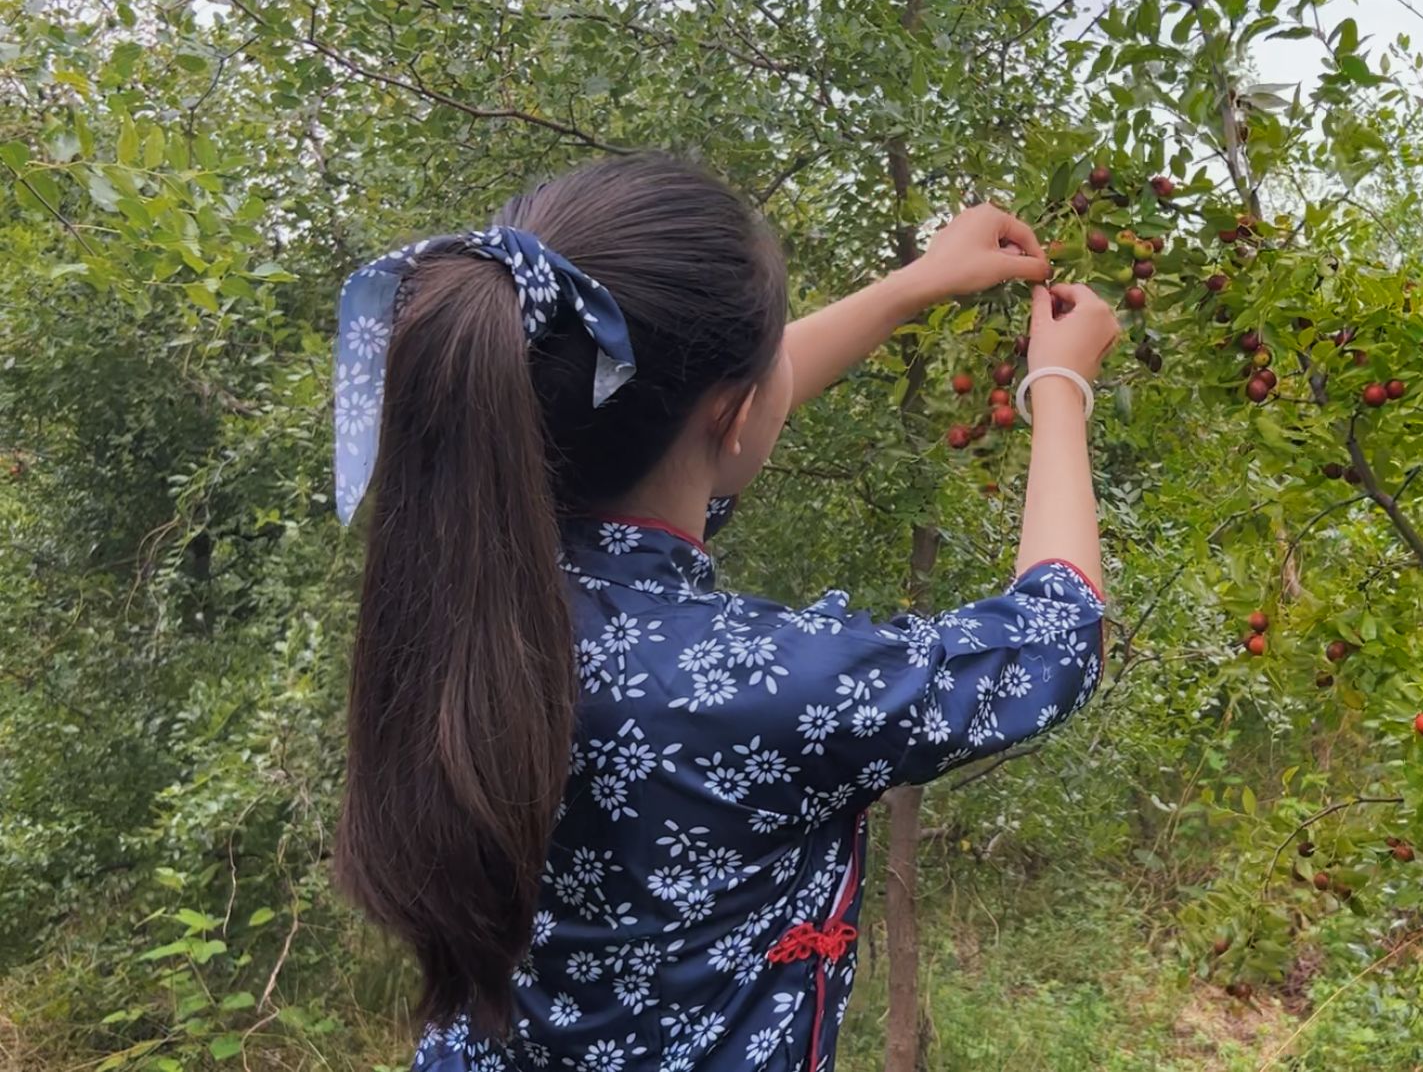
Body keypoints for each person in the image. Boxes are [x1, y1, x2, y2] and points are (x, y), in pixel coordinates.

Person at [330, 153, 1118, 1071]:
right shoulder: (762, 687)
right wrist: (1059, 388)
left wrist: (913, 286)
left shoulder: (466, 585)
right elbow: (1056, 641)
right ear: (732, 415)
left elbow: (696, 417)